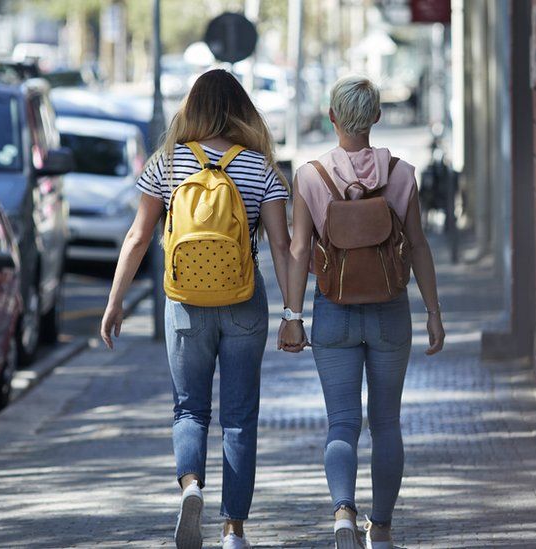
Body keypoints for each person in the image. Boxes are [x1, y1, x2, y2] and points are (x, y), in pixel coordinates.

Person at [101, 69, 292, 549]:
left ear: (192, 108)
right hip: (244, 301)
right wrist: (294, 313)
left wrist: (115, 300)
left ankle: (191, 486)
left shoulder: (166, 163)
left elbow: (138, 236)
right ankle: (233, 530)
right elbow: (283, 246)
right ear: (241, 109)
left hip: (185, 303)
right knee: (240, 415)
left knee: (189, 409)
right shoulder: (259, 167)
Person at [280, 75, 445, 549]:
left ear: (332, 117)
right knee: (387, 422)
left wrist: (292, 316)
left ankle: (343, 513)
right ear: (376, 116)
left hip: (333, 311)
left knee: (342, 422)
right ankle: (384, 529)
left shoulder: (311, 176)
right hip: (391, 310)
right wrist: (433, 311)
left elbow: (296, 249)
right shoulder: (402, 174)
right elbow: (417, 246)